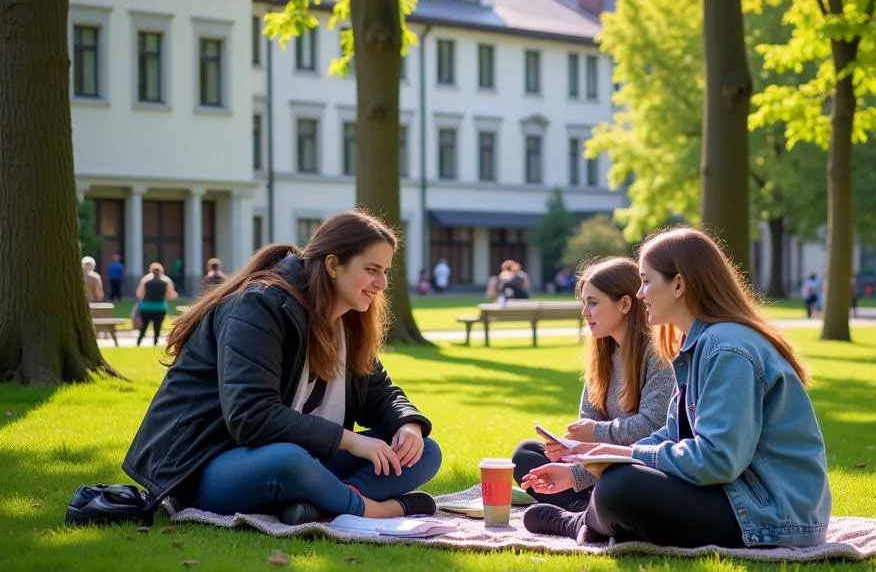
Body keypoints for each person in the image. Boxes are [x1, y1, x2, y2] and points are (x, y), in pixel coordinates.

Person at [122, 210, 442, 525]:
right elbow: (252, 415)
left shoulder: (350, 322)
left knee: (424, 451)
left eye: (385, 271)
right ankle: (376, 510)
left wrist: (408, 425)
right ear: (333, 265)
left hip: (308, 460)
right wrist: (353, 441)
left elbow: (381, 394)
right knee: (288, 461)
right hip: (206, 465)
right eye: (372, 269)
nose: (382, 283)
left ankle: (327, 504)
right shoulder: (258, 306)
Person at [523, 226, 832, 550]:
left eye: (645, 281)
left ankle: (579, 523)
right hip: (732, 495)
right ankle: (594, 520)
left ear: (679, 284)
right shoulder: (699, 345)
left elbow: (717, 460)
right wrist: (582, 467)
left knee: (621, 485)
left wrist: (627, 455)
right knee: (615, 481)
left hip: (770, 516)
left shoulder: (727, 349)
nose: (641, 294)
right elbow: (674, 434)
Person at [512, 257, 674, 512]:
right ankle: (588, 509)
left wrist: (594, 435)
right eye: (584, 302)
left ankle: (588, 510)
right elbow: (586, 422)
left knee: (623, 479)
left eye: (593, 303)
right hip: (597, 464)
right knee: (526, 454)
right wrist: (569, 448)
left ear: (625, 304)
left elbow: (651, 426)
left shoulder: (658, 355)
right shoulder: (603, 354)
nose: (584, 312)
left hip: (637, 464)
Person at [134, 262, 177, 346]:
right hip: (160, 307)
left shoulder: (145, 279)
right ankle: (155, 342)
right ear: (162, 270)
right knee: (157, 327)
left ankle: (139, 341)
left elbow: (139, 294)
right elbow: (171, 296)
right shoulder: (166, 280)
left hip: (146, 307)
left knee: (144, 327)